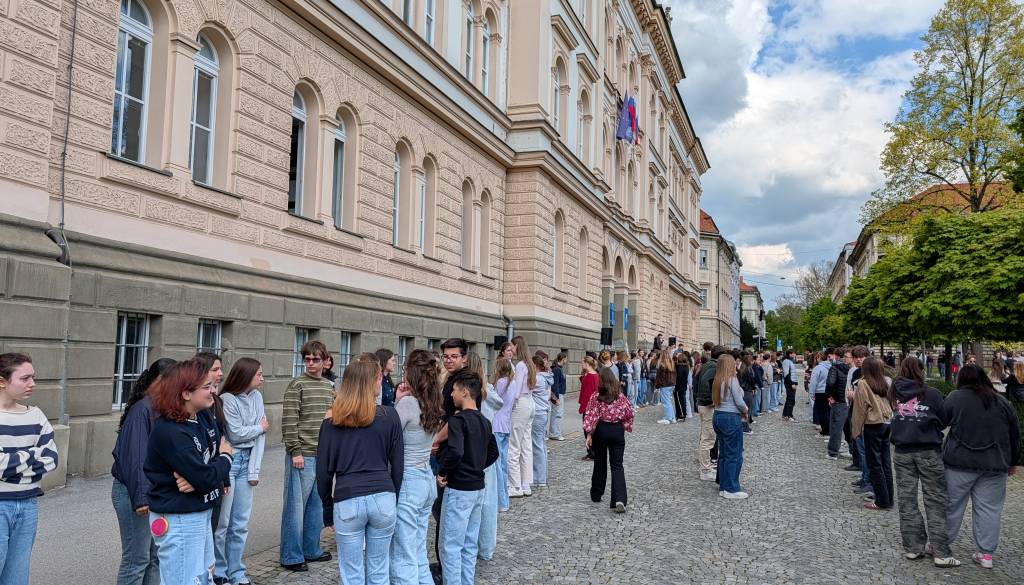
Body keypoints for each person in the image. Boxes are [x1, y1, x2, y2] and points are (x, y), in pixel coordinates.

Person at [315, 353, 402, 585]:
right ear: (372, 381)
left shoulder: (331, 424)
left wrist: (327, 508)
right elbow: (398, 466)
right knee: (379, 570)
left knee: (351, 573)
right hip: (383, 496)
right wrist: (394, 496)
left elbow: (323, 473)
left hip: (348, 498)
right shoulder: (390, 416)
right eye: (378, 379)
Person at [144, 359, 232, 585]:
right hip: (179, 518)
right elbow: (209, 471)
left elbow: (206, 467)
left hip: (198, 511)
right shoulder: (171, 432)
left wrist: (201, 476)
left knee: (203, 577)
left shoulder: (201, 416)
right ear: (185, 394)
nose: (213, 391)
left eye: (212, 385)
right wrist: (225, 459)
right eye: (206, 387)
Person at [942, 365, 1021, 570]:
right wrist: (1013, 461)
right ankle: (986, 554)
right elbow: (1014, 435)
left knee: (951, 506)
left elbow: (940, 422)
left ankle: (939, 544)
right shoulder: (1002, 402)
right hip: (994, 464)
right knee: (989, 510)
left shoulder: (955, 398)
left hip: (959, 462)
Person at [888, 357, 959, 567]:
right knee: (935, 500)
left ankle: (913, 547)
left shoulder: (894, 392)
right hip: (928, 450)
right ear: (921, 371)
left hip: (902, 451)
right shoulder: (932, 394)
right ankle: (941, 552)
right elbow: (944, 419)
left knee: (906, 500)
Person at [111, 357, 175, 585]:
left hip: (155, 492)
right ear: (159, 381)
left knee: (155, 557)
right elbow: (135, 459)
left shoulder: (162, 408)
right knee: (136, 560)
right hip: (135, 492)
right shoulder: (142, 410)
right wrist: (141, 498)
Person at [0, 353, 58, 585]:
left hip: (28, 504)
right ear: (2, 381)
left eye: (33, 377)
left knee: (17, 577)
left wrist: (10, 462)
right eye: (25, 378)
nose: (32, 384)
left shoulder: (36, 415)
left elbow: (52, 459)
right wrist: (33, 454)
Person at [436, 369, 499, 585]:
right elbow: (494, 453)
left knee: (451, 545)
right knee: (470, 542)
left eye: (453, 390)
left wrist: (443, 471)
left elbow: (455, 451)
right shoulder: (484, 420)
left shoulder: (457, 421)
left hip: (459, 487)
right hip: (478, 486)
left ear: (464, 392)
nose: (451, 395)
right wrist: (476, 466)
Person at [390, 349, 444, 584]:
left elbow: (390, 436)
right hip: (425, 478)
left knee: (404, 553)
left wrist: (398, 402)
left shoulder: (409, 403)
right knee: (418, 551)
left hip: (409, 480)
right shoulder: (434, 400)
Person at [279, 340, 334, 571]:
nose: (310, 363)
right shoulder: (297, 385)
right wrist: (295, 451)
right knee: (295, 508)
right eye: (307, 359)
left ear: (325, 361)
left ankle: (311, 549)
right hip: (301, 455)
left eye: (315, 359)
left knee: (315, 507)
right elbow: (290, 420)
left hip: (321, 456)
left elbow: (332, 420)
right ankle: (291, 555)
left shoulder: (329, 387)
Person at [213, 358, 269, 585]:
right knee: (223, 523)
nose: (262, 378)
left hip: (247, 463)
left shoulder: (257, 397)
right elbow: (236, 434)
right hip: (231, 462)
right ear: (246, 376)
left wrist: (254, 471)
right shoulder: (227, 399)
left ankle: (237, 571)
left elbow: (260, 436)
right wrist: (258, 428)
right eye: (259, 374)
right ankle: (219, 571)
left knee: (240, 523)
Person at [583, 368, 634, 513]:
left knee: (600, 462)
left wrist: (589, 434)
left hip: (602, 430)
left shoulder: (596, 396)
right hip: (617, 431)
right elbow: (629, 412)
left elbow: (591, 415)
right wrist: (624, 426)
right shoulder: (620, 396)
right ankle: (619, 499)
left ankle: (597, 493)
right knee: (617, 465)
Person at [470, 352, 503, 562]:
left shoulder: (472, 392)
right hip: (487, 448)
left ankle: (475, 546)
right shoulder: (487, 392)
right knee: (487, 500)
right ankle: (486, 546)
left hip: (474, 448)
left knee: (473, 501)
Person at [851, 357, 894, 510]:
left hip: (873, 424)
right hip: (887, 422)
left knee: (875, 464)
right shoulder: (886, 381)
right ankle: (889, 497)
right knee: (886, 463)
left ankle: (882, 500)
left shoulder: (863, 383)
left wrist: (855, 430)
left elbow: (860, 408)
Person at [712, 353, 749, 499]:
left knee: (724, 453)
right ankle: (731, 488)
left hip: (718, 416)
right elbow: (739, 402)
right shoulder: (732, 380)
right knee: (734, 454)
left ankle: (723, 485)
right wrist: (746, 411)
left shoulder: (718, 380)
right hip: (730, 418)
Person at [506, 336, 537, 498]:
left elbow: (516, 391)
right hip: (530, 403)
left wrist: (508, 408)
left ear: (517, 346)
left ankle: (515, 485)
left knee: (514, 446)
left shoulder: (520, 365)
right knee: (526, 446)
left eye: (512, 346)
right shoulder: (530, 364)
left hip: (522, 404)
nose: (511, 349)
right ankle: (526, 484)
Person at [489, 355, 516, 513]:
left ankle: (501, 501)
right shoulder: (512, 383)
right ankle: (504, 498)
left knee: (497, 466)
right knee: (503, 464)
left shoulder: (500, 383)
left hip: (497, 424)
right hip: (506, 424)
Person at [694, 345, 726, 481]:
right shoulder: (712, 367)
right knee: (708, 438)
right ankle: (705, 470)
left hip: (703, 404)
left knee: (706, 436)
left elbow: (697, 383)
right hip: (707, 405)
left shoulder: (708, 365)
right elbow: (705, 384)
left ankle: (706, 466)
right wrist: (711, 400)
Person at [530, 352, 554, 488]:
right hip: (543, 412)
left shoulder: (538, 379)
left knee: (537, 446)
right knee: (542, 445)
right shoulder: (546, 377)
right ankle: (542, 476)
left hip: (538, 413)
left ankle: (539, 478)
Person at [578, 356, 600, 461]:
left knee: (587, 429)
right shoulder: (595, 375)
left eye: (582, 363)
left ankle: (592, 453)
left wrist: (583, 407)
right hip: (594, 406)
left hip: (589, 407)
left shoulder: (590, 377)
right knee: (592, 429)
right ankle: (593, 452)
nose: (581, 365)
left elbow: (587, 393)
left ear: (587, 364)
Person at [809, 350, 832, 436]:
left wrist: (811, 393)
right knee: (828, 412)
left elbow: (813, 382)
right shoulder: (831, 367)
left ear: (818, 358)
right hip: (829, 392)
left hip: (820, 392)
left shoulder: (817, 368)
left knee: (821, 413)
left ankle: (825, 431)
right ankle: (829, 430)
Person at [548, 352, 567, 440]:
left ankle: (555, 432)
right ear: (563, 359)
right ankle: (554, 433)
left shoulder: (559, 369)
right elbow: (555, 384)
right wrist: (556, 398)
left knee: (557, 414)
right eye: (566, 358)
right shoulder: (557, 369)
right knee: (557, 414)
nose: (566, 360)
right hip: (558, 394)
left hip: (560, 393)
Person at [654, 349, 676, 424]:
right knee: (668, 401)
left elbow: (660, 377)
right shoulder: (671, 363)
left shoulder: (662, 365)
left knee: (666, 402)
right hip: (671, 384)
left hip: (665, 385)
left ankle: (668, 418)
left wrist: (657, 386)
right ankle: (672, 417)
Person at [780, 350, 797, 421]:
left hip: (792, 382)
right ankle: (789, 415)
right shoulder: (786, 361)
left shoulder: (790, 361)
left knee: (790, 399)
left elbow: (792, 373)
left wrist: (796, 383)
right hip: (789, 383)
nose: (795, 354)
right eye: (794, 353)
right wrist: (792, 383)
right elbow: (787, 374)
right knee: (791, 399)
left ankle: (786, 414)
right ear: (790, 354)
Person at [673, 352, 689, 422]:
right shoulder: (686, 366)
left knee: (678, 401)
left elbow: (679, 376)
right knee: (683, 400)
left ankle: (681, 414)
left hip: (678, 386)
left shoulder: (679, 366)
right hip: (684, 385)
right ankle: (683, 414)